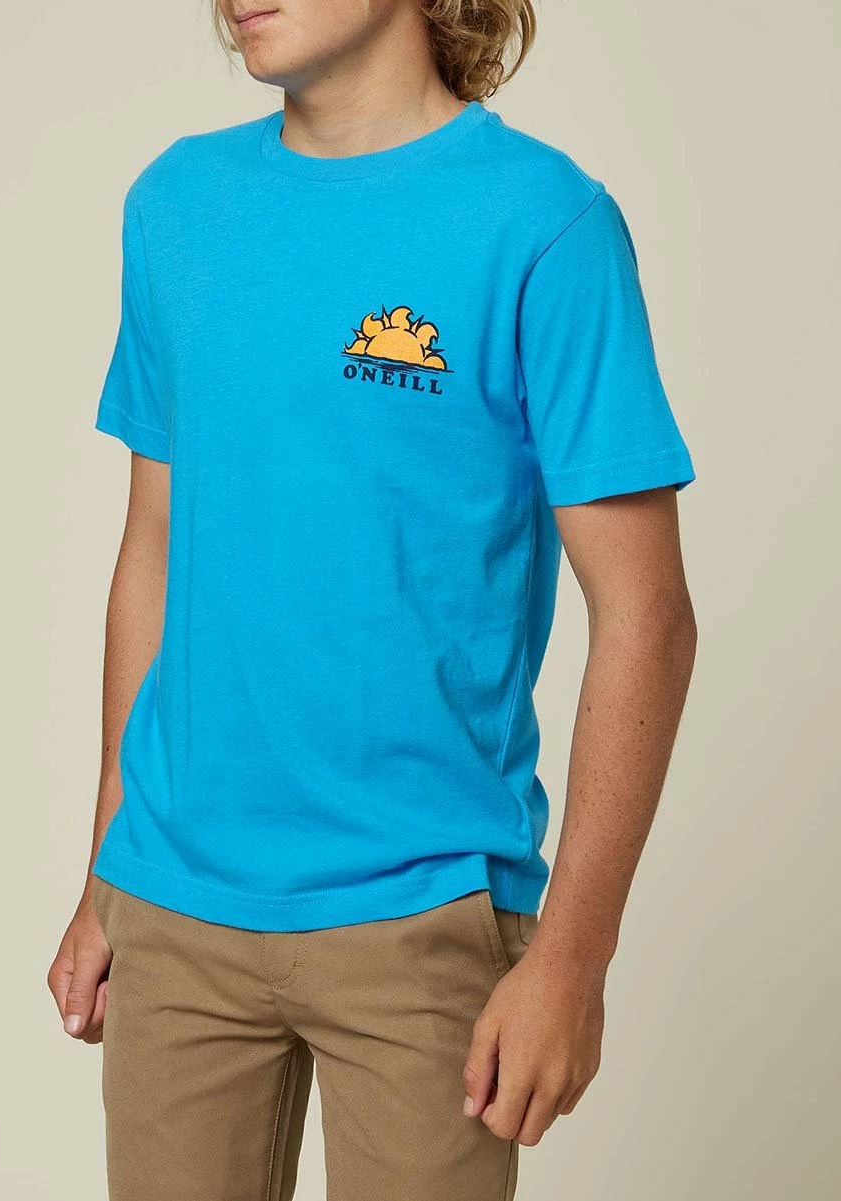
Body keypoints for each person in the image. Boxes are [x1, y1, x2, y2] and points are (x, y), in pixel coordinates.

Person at [47, 2, 698, 1198]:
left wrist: (572, 958)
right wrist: (103, 877)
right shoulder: (177, 205)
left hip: (423, 912)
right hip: (175, 906)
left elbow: (646, 615)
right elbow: (153, 551)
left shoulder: (544, 223)